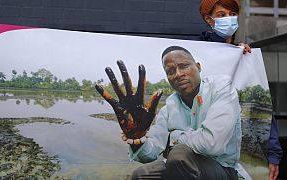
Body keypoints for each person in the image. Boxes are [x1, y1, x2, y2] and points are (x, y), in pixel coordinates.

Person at [96, 46, 242, 179]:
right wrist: (137, 138)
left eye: (184, 66)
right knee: (140, 175)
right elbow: (151, 152)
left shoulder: (221, 88)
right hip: (181, 166)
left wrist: (174, 137)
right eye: (171, 71)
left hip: (223, 169)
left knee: (178, 156)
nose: (178, 74)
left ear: (198, 67)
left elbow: (212, 143)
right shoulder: (169, 108)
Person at [199, 1, 283, 179]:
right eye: (221, 15)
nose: (228, 19)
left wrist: (273, 154)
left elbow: (264, 107)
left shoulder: (245, 56)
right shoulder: (197, 53)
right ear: (209, 19)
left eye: (232, 14)